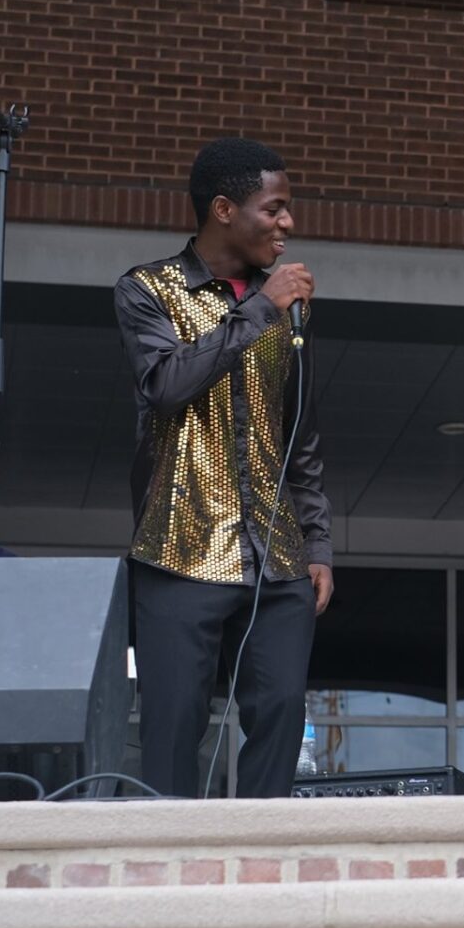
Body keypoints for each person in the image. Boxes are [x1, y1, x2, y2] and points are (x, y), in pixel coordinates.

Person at [113, 137, 334, 799]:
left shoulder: (286, 307)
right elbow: (165, 383)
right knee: (174, 724)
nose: (288, 223)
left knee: (282, 713)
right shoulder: (146, 289)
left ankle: (262, 871)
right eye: (275, 209)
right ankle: (166, 881)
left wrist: (318, 541)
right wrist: (263, 306)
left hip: (277, 553)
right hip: (180, 548)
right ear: (223, 210)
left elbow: (301, 435)